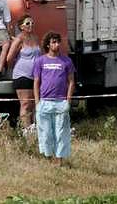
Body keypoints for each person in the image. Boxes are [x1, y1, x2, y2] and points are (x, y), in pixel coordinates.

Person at [33, 31, 75, 164]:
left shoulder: (66, 61)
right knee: (45, 133)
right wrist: (37, 102)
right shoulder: (40, 61)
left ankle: (59, 160)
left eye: (58, 42)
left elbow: (71, 81)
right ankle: (49, 160)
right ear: (47, 45)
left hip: (61, 102)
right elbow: (36, 82)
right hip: (45, 102)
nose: (57, 44)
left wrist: (68, 100)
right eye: (53, 42)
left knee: (61, 133)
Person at [7, 15, 40, 129]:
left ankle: (33, 128)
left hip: (35, 76)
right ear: (21, 27)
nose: (30, 25)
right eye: (27, 23)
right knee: (25, 104)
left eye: (32, 23)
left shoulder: (35, 38)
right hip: (22, 75)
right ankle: (26, 130)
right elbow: (9, 58)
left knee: (33, 104)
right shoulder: (19, 39)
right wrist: (16, 66)